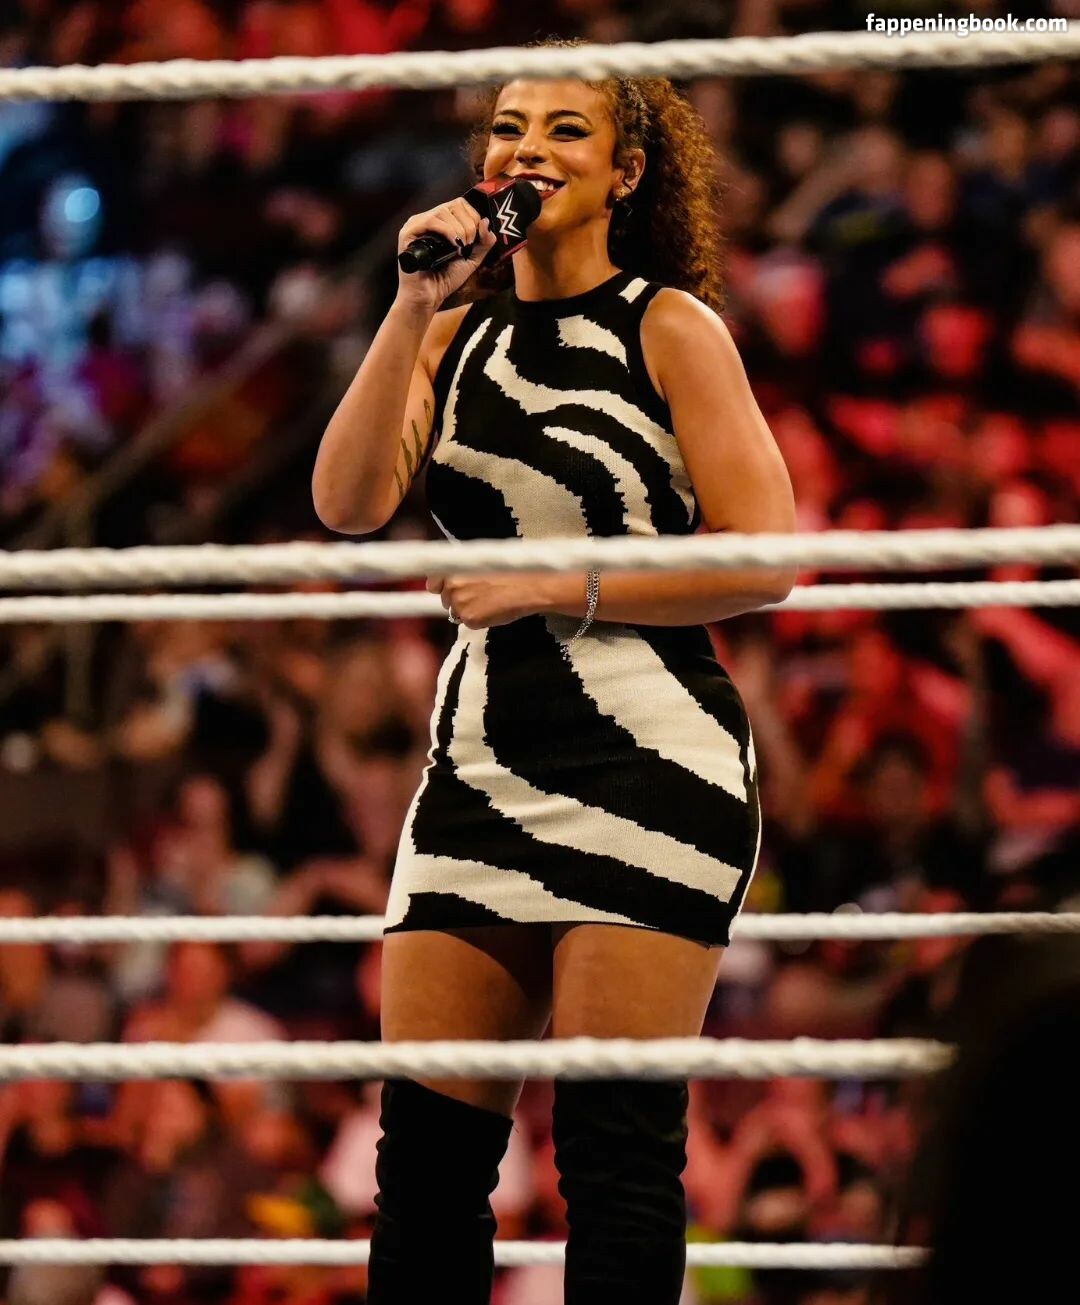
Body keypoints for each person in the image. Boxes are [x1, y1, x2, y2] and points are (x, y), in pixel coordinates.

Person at [312, 38, 795, 1305]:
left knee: (613, 1158)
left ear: (626, 171)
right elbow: (348, 503)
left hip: (649, 754)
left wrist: (555, 583)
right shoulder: (450, 335)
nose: (527, 148)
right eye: (508, 127)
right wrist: (412, 304)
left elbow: (770, 556)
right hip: (480, 763)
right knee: (425, 1166)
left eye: (565, 130)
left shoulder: (669, 325)